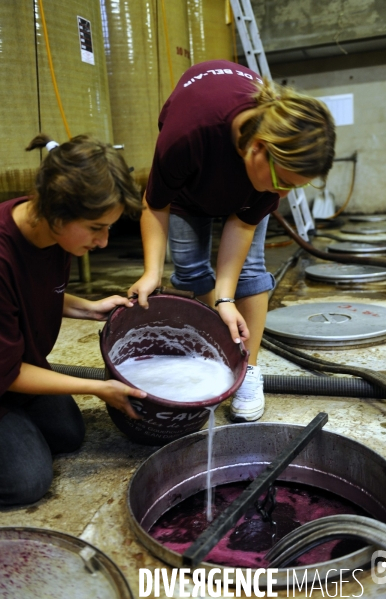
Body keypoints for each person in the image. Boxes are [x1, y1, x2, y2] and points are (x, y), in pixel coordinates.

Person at [128, 59, 336, 423]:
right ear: (258, 147)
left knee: (251, 272)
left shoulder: (271, 173)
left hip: (241, 185)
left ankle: (247, 371)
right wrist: (150, 272)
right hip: (191, 189)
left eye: (293, 187)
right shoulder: (189, 133)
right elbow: (156, 204)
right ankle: (218, 351)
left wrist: (226, 298)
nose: (283, 195)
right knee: (191, 271)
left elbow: (241, 225)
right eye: (282, 182)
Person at [0, 133, 147, 507]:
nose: (103, 242)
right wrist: (98, 388)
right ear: (56, 211)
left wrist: (87, 307)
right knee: (27, 481)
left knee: (67, 433)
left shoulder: (51, 234)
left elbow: (28, 291)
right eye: (97, 227)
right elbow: (9, 371)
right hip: (7, 372)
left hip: (14, 363)